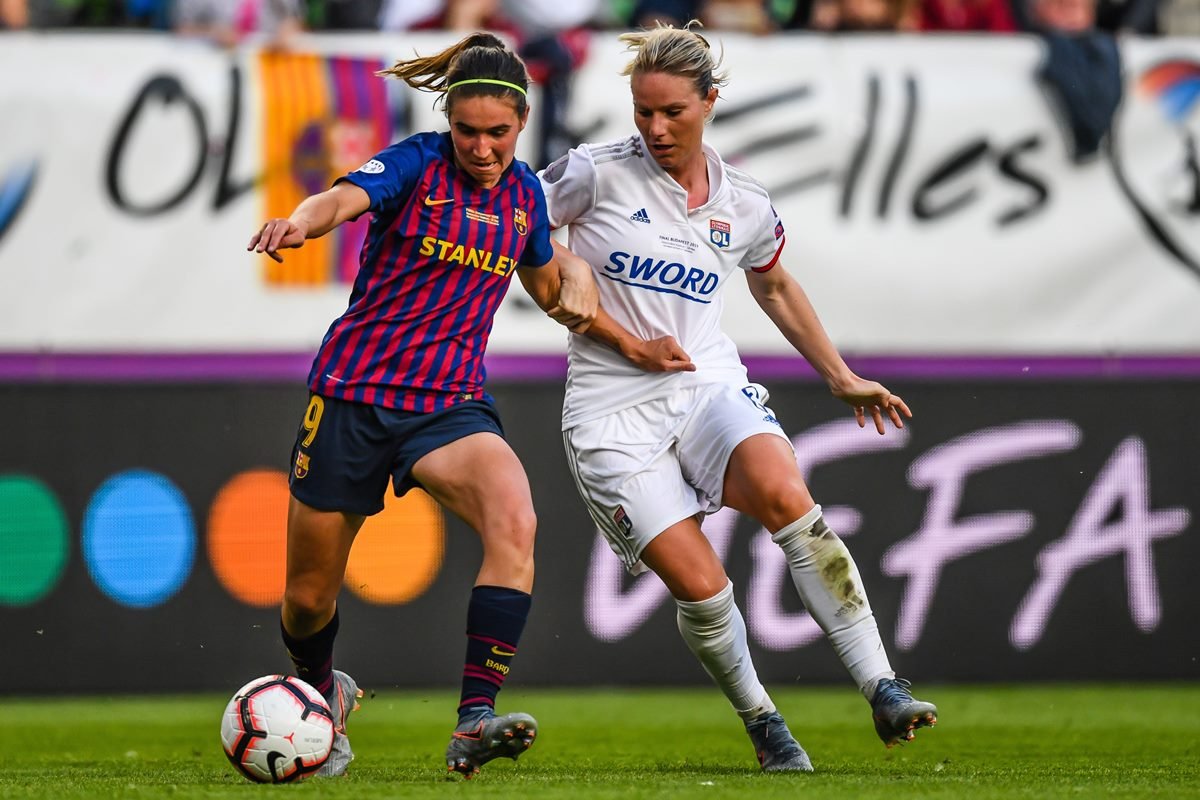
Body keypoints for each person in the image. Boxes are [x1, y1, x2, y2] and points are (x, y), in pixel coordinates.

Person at [537, 22, 937, 772]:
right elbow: (513, 224)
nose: (655, 128)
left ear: (710, 103)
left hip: (704, 383)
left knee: (790, 498)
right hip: (609, 412)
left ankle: (883, 686)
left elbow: (774, 282)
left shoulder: (744, 202)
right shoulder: (592, 173)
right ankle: (764, 721)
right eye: (643, 111)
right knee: (704, 585)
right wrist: (559, 263)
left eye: (672, 113)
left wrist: (838, 373)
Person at [247, 31, 599, 780]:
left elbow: (543, 284)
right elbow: (341, 198)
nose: (480, 147)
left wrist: (581, 293)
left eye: (496, 133)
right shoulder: (416, 162)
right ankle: (319, 690)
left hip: (448, 404)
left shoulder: (526, 194)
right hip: (353, 394)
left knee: (515, 519)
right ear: (450, 123)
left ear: (523, 121)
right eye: (467, 131)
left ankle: (474, 719)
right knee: (308, 598)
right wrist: (298, 224)